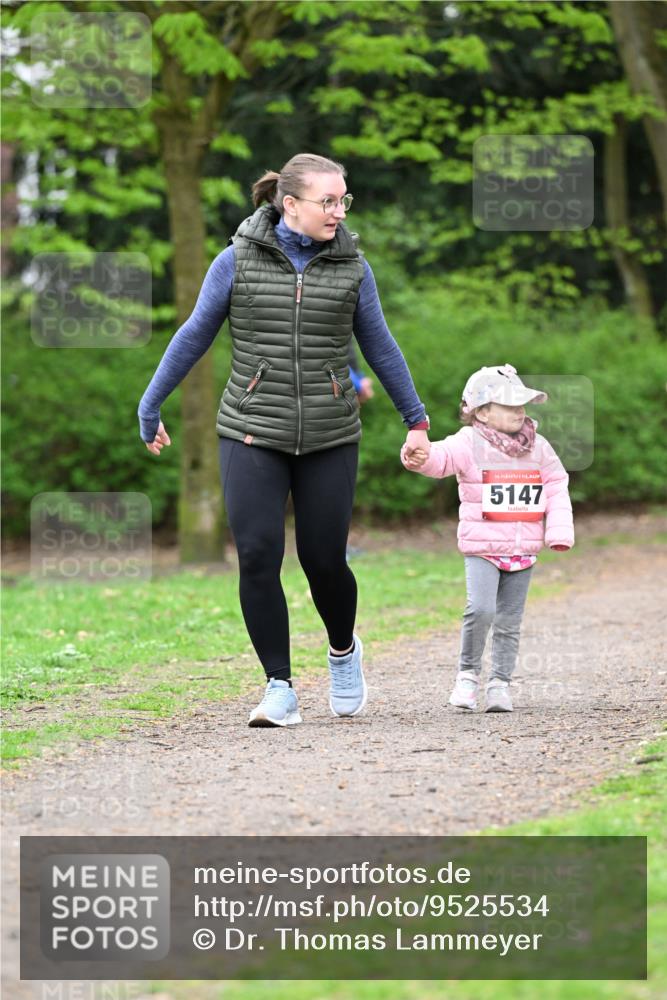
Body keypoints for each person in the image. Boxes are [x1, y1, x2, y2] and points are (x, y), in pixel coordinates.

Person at [138, 153, 430, 728]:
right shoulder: (235, 261)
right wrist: (151, 403)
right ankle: (279, 686)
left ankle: (343, 650)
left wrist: (415, 418)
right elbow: (195, 332)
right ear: (288, 204)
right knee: (256, 553)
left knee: (324, 560)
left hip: (329, 433)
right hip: (251, 429)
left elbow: (381, 347)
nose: (339, 212)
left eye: (344, 200)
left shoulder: (353, 269)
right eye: (328, 201)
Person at [402, 364, 573, 713]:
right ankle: (467, 677)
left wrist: (557, 530)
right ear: (481, 411)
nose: (519, 411)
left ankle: (500, 685)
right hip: (482, 547)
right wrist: (421, 457)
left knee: (510, 621)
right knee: (480, 610)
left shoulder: (538, 447)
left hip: (523, 550)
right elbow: (442, 458)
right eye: (509, 405)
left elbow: (556, 484)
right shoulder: (469, 442)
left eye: (521, 404)